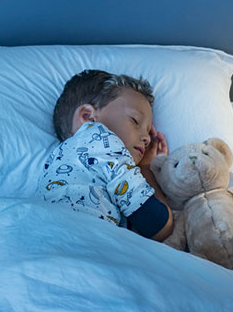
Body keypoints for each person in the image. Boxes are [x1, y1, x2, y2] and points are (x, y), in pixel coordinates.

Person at [37, 69, 173, 241]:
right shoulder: (101, 138)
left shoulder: (55, 160)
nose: (147, 138)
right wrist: (146, 168)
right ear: (88, 117)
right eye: (135, 120)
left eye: (148, 131)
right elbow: (158, 225)